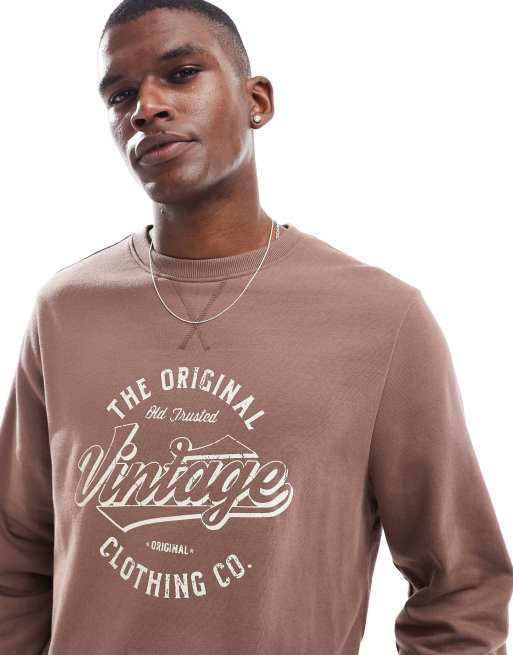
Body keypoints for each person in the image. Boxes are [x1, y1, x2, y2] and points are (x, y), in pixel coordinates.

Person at [1, 0, 512, 653]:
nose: (147, 107)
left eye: (181, 74)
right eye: (121, 94)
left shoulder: (381, 319)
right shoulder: (65, 311)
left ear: (257, 101)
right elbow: (15, 561)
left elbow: (462, 584)